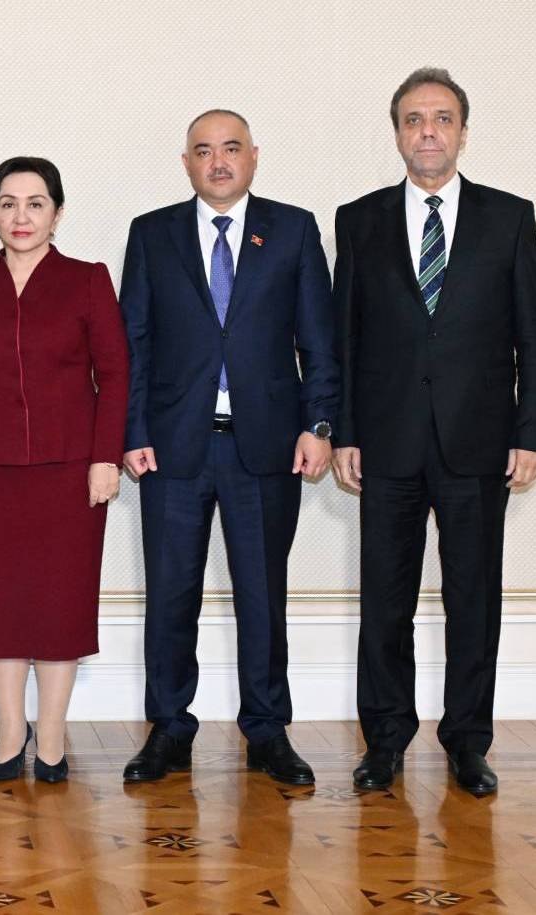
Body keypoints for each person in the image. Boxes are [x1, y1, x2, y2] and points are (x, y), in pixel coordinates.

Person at [334, 68, 536, 797]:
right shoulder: (358, 220)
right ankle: (384, 741)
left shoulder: (509, 217)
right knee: (384, 602)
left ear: (462, 131)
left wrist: (534, 432)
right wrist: (344, 431)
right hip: (386, 442)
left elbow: (534, 335)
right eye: (413, 119)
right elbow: (344, 338)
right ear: (397, 133)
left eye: (441, 119)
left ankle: (467, 742)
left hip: (478, 443)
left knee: (473, 600)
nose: (427, 131)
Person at [116, 110, 338, 786]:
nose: (218, 161)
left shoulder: (293, 230)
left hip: (266, 447)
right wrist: (132, 432)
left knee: (263, 596)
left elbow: (319, 340)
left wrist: (320, 424)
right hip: (172, 450)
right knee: (170, 595)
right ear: (186, 162)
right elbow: (133, 343)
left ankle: (267, 731)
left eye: (231, 148)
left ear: (253, 157)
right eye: (204, 150)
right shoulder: (151, 234)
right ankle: (169, 728)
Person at [0, 157, 127, 783]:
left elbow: (115, 374)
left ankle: (50, 735)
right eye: (8, 203)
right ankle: (8, 730)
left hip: (71, 472)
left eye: (36, 203)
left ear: (57, 213)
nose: (22, 216)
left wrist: (105, 457)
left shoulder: (88, 280)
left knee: (60, 605)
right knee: (1, 604)